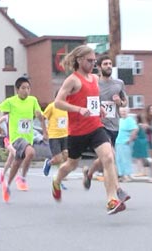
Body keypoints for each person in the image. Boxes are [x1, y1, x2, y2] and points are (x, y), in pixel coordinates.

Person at [50, 45, 128, 214]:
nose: (93, 63)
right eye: (90, 60)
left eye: (94, 60)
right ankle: (56, 181)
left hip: (96, 127)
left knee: (108, 157)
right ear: (79, 60)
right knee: (71, 164)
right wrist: (78, 109)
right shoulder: (72, 80)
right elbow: (58, 102)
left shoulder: (94, 78)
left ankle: (111, 200)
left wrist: (98, 108)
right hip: (77, 131)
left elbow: (91, 100)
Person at [0, 77, 47, 198]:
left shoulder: (33, 100)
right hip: (16, 137)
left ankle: (7, 185)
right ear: (17, 89)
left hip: (27, 137)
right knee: (31, 152)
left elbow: (40, 116)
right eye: (23, 88)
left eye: (28, 88)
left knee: (17, 162)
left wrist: (45, 130)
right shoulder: (11, 101)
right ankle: (22, 178)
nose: (26, 91)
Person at [41, 92, 69, 177]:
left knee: (66, 156)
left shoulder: (67, 107)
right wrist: (45, 132)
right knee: (58, 159)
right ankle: (48, 163)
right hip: (54, 136)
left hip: (65, 135)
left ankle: (61, 175)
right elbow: (43, 118)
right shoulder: (52, 106)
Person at [116, 107, 138, 182]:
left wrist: (130, 139)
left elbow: (135, 129)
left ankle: (127, 175)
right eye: (121, 111)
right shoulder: (120, 120)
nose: (123, 112)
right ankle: (121, 174)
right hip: (118, 142)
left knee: (125, 159)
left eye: (124, 111)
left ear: (127, 111)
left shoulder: (130, 120)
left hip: (125, 142)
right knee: (118, 159)